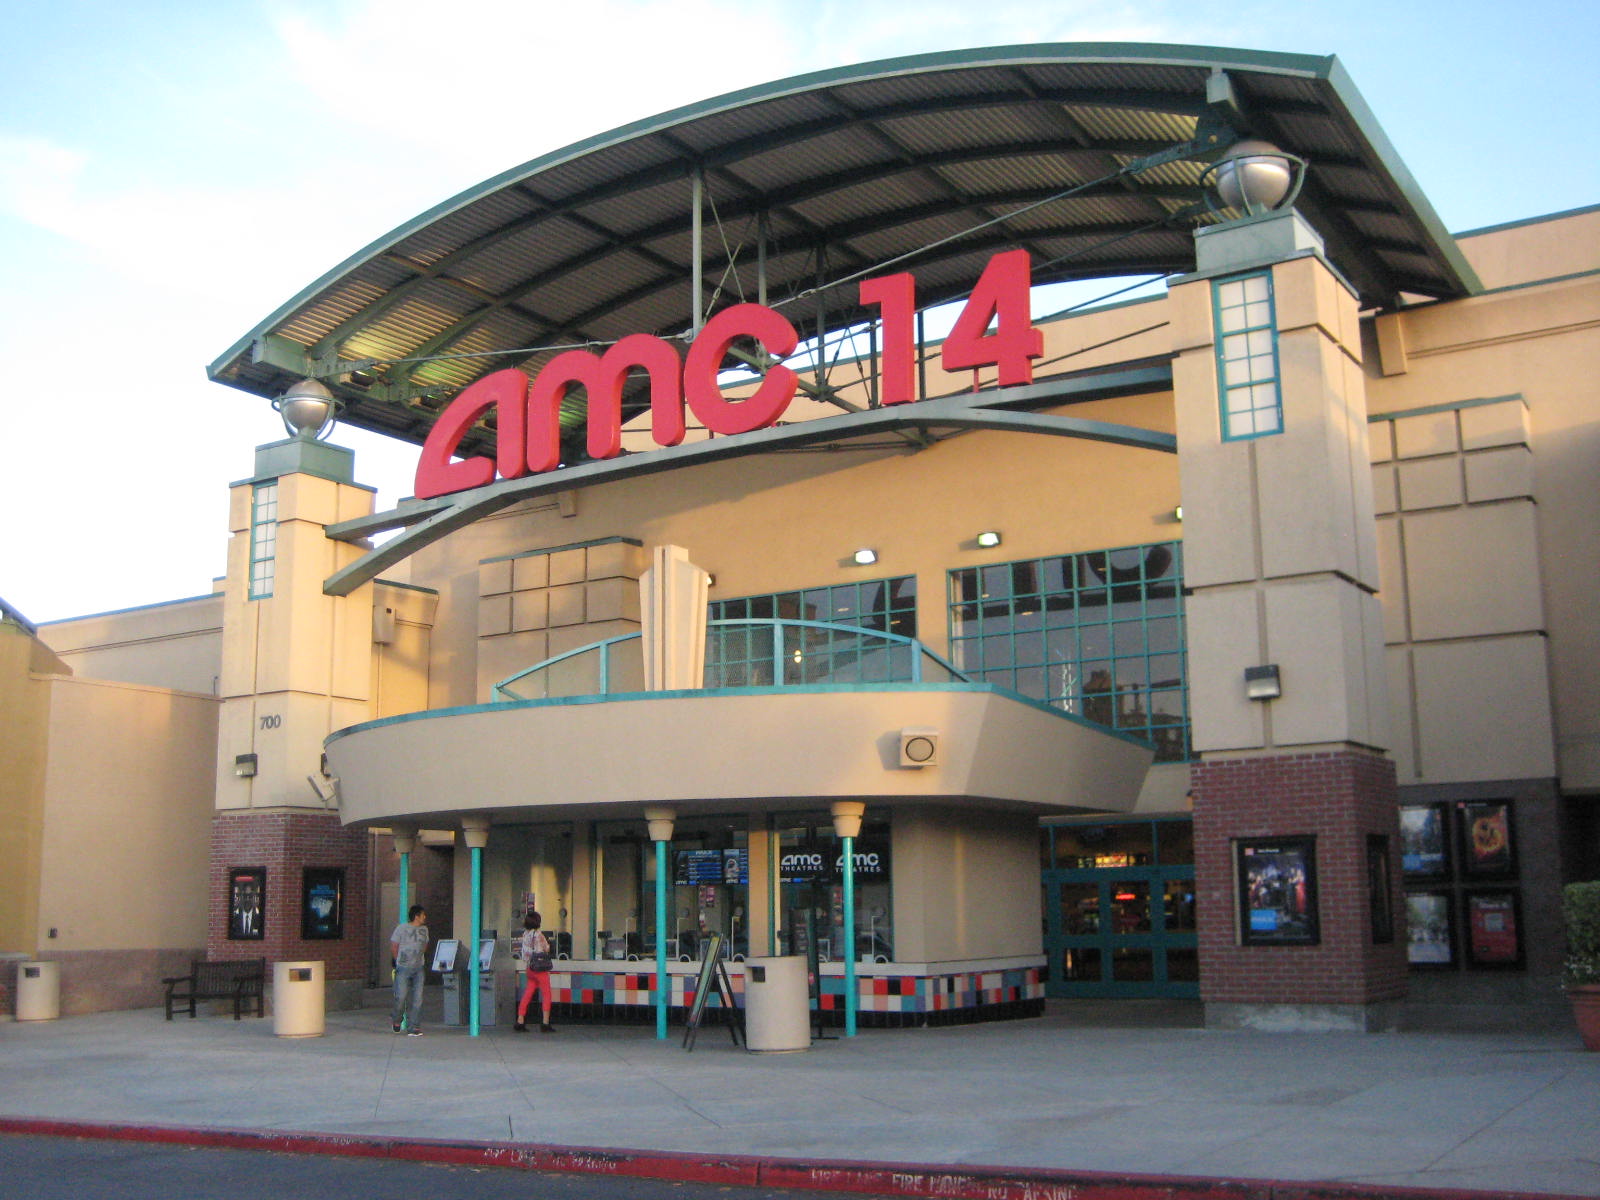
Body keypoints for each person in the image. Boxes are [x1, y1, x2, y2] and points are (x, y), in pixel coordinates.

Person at [389, 904, 429, 1035]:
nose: (425, 917)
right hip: (403, 967)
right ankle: (397, 1019)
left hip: (419, 968)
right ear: (416, 916)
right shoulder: (401, 928)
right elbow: (394, 945)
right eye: (422, 914)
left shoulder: (424, 930)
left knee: (418, 999)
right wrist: (398, 961)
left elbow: (425, 944)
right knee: (401, 997)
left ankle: (414, 1026)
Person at [514, 910, 556, 1033]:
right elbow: (546, 948)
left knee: (528, 993)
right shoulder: (539, 935)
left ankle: (520, 1020)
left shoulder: (525, 934)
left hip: (529, 968)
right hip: (540, 969)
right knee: (546, 994)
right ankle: (545, 1023)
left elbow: (524, 952)